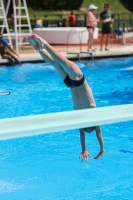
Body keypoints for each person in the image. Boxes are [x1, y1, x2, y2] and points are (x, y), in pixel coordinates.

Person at [28, 34, 104, 162]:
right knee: (54, 64)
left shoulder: (92, 113)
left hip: (79, 81)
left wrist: (102, 149)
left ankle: (44, 44)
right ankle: (38, 48)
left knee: (63, 61)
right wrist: (83, 149)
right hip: (70, 85)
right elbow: (83, 133)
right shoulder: (80, 115)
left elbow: (98, 133)